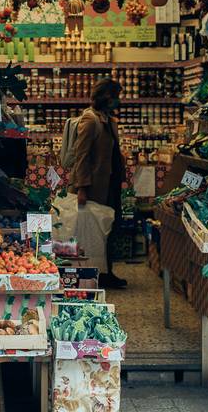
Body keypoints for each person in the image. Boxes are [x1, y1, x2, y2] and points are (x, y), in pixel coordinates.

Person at [70, 78, 128, 289]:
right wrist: (82, 188)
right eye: (116, 96)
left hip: (109, 183)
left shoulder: (107, 120)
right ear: (106, 97)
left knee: (109, 229)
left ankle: (107, 272)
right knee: (93, 233)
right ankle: (95, 274)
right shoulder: (90, 120)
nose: (118, 101)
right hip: (94, 187)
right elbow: (81, 156)